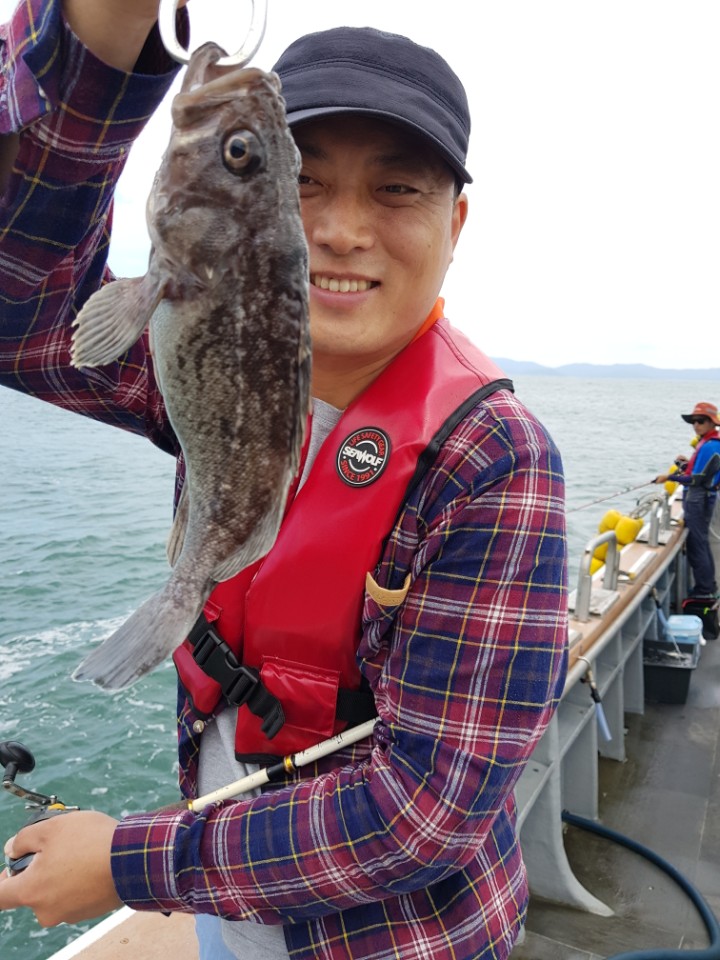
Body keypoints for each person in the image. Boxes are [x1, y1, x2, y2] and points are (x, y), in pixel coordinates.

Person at [0, 3, 568, 958]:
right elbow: (22, 312)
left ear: (455, 223)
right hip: (226, 921)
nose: (342, 230)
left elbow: (424, 816)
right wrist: (102, 36)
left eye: (397, 188)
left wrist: (129, 862)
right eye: (299, 178)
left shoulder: (493, 459)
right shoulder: (207, 361)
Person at [654, 401, 720, 598]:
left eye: (701, 421)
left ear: (712, 423)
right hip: (701, 497)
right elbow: (698, 472)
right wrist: (682, 465)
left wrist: (668, 477)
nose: (696, 425)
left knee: (697, 545)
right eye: (693, 421)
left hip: (698, 499)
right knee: (700, 543)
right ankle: (708, 586)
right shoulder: (708, 443)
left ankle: (704, 589)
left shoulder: (710, 446)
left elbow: (695, 479)